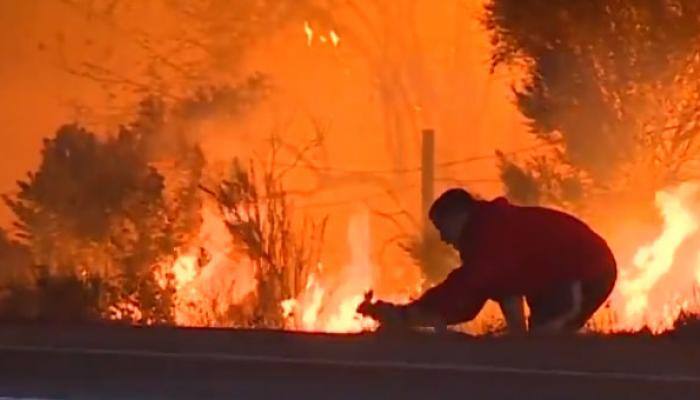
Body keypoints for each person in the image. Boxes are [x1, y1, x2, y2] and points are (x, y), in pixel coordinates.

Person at [358, 188, 617, 334]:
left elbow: (466, 290)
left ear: (458, 216)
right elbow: (504, 288)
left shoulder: (490, 235)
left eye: (442, 228)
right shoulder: (488, 232)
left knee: (544, 343)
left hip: (586, 270)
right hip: (566, 274)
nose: (443, 239)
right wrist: (517, 334)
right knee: (535, 345)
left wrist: (406, 317)